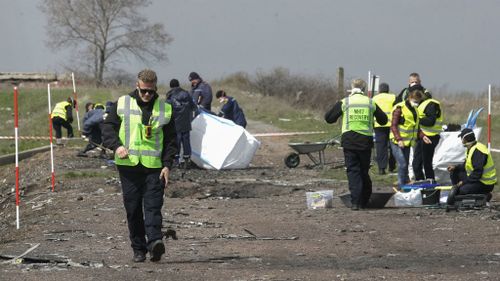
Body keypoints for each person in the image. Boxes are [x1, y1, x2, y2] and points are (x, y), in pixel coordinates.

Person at [102, 69, 177, 263]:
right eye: (143, 90)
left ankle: (155, 243)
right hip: (129, 167)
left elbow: (171, 140)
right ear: (137, 86)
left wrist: (167, 165)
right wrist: (117, 146)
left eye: (150, 92)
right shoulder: (122, 103)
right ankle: (138, 248)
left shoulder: (165, 108)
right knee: (133, 209)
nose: (146, 95)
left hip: (154, 167)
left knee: (153, 207)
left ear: (155, 89)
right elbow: (108, 128)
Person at [325, 78, 388, 210]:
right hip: (365, 141)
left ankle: (356, 202)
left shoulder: (345, 101)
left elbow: (329, 118)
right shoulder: (370, 102)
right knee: (363, 171)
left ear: (351, 88)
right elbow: (383, 120)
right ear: (364, 89)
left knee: (353, 171)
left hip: (350, 140)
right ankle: (365, 199)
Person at [390, 88, 431, 189]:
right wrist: (399, 139)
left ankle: (405, 182)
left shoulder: (415, 111)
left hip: (407, 143)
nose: (417, 103)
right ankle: (401, 185)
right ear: (409, 98)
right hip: (396, 142)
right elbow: (393, 125)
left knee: (406, 165)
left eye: (418, 102)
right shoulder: (399, 108)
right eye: (415, 101)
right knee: (402, 164)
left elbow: (416, 128)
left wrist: (423, 136)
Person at [446, 128, 496, 205]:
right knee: (454, 172)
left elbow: (477, 173)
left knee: (461, 190)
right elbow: (467, 165)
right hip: (476, 179)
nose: (461, 140)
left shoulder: (478, 151)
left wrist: (463, 182)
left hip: (485, 183)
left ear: (465, 139)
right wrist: (455, 167)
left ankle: (485, 195)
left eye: (461, 138)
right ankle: (458, 192)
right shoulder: (471, 148)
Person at [412, 85, 444, 181]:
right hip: (423, 136)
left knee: (427, 163)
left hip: (430, 137)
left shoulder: (430, 104)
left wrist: (417, 120)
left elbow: (431, 121)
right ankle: (421, 182)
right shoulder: (421, 105)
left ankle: (430, 184)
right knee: (416, 164)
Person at [166, 78, 196, 168]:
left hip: (175, 122)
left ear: (171, 86)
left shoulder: (170, 95)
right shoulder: (186, 93)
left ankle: (176, 160)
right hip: (186, 122)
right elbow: (193, 106)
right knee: (186, 141)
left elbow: (167, 108)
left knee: (177, 141)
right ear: (178, 85)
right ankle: (187, 159)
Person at [372, 82, 396, 175]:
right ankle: (392, 166)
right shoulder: (393, 97)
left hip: (378, 125)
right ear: (388, 90)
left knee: (381, 147)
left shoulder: (374, 98)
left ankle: (381, 168)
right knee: (393, 146)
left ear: (379, 90)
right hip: (392, 125)